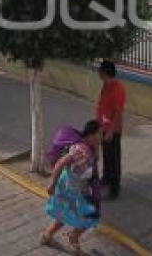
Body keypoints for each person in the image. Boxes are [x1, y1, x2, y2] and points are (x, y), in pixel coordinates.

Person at [41, 120, 102, 253]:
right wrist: (52, 184)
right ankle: (73, 237)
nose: (101, 138)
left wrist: (97, 148)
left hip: (76, 190)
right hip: (70, 190)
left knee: (64, 216)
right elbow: (60, 163)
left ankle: (47, 236)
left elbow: (93, 162)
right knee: (91, 216)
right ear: (91, 135)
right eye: (99, 134)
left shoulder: (89, 148)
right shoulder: (81, 149)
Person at [97, 60, 126, 200]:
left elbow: (118, 113)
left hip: (112, 131)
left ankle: (114, 189)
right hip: (104, 127)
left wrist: (110, 131)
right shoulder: (106, 85)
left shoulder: (118, 89)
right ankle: (106, 178)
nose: (98, 73)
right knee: (106, 156)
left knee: (113, 159)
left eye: (100, 71)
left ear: (104, 72)